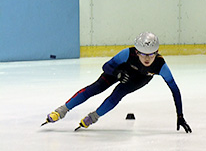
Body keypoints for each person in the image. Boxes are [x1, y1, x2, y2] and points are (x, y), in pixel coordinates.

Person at [43, 32, 192, 133]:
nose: (147, 59)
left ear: (157, 52)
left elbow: (175, 90)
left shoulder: (161, 66)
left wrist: (180, 115)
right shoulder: (127, 53)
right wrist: (117, 73)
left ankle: (92, 118)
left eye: (151, 55)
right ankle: (61, 111)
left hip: (139, 79)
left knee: (117, 95)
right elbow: (105, 66)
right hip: (117, 71)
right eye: (143, 54)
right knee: (95, 88)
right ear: (136, 51)